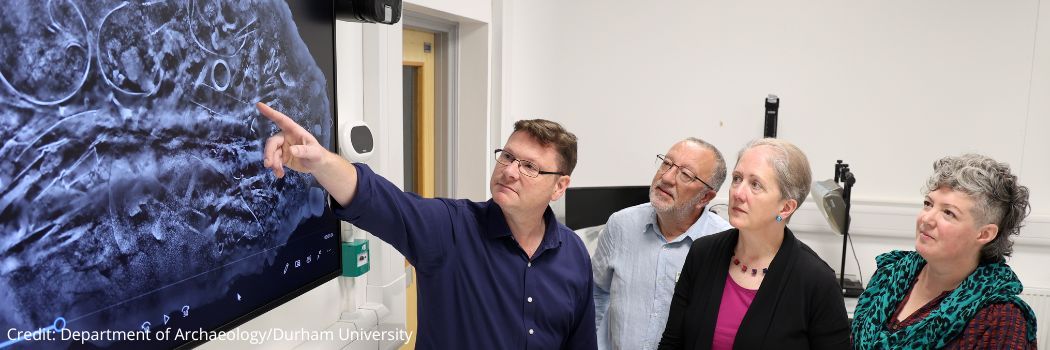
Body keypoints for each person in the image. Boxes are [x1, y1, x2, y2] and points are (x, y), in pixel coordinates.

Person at [257, 102, 597, 349]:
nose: (509, 170)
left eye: (529, 167)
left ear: (559, 187)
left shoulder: (574, 255)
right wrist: (321, 161)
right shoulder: (450, 229)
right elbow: (379, 201)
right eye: (507, 156)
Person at [659, 138, 850, 350]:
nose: (738, 193)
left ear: (786, 207)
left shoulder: (817, 281)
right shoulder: (702, 253)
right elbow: (672, 343)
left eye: (755, 185)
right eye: (737, 178)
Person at [851, 154, 1038, 349]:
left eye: (948, 213)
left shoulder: (999, 319)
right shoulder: (889, 275)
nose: (927, 219)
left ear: (984, 234)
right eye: (928, 204)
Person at [592, 138, 732, 350]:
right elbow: (596, 291)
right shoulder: (620, 225)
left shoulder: (724, 243)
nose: (666, 177)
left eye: (685, 174)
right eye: (666, 163)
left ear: (705, 197)